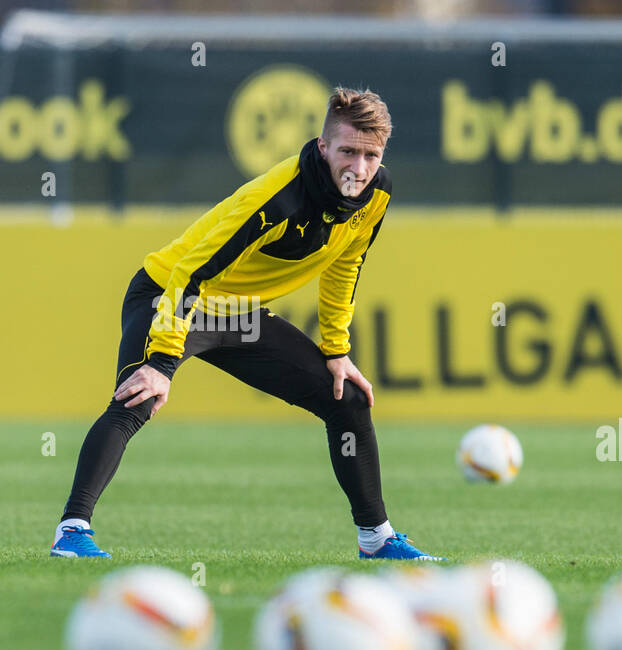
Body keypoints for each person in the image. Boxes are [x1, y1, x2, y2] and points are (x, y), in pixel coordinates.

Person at [50, 87, 439, 562]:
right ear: (323, 147)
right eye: (348, 152)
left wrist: (336, 350)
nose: (358, 168)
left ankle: (376, 539)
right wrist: (160, 361)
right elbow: (191, 271)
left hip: (237, 314)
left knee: (348, 398)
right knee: (139, 395)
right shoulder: (277, 199)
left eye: (371, 155)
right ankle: (71, 532)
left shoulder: (377, 193)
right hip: (170, 295)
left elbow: (345, 262)